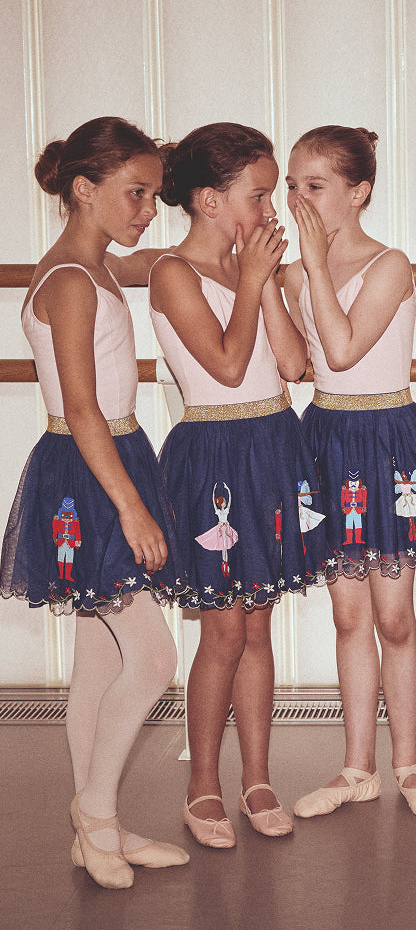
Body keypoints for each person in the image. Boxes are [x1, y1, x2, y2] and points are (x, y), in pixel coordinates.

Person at [0, 117, 187, 887]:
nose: (148, 209)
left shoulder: (95, 264)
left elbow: (150, 259)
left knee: (98, 659)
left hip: (110, 456)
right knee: (153, 658)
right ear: (84, 188)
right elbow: (80, 408)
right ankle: (96, 814)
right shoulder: (72, 280)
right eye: (135, 193)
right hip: (89, 469)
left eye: (155, 194)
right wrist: (132, 509)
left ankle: (96, 831)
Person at [150, 122, 327, 847]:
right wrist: (253, 281)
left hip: (271, 446)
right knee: (222, 632)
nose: (271, 208)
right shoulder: (173, 273)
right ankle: (203, 785)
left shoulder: (248, 271)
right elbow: (225, 367)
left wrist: (268, 283)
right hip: (214, 452)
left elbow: (292, 366)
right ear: (209, 200)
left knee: (258, 625)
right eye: (258, 195)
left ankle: (257, 777)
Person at [283, 126, 416, 819]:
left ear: (358, 193)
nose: (298, 200)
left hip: (387, 441)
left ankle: (408, 763)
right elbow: (300, 365)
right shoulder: (296, 272)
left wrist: (311, 266)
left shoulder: (390, 265)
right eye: (291, 186)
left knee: (394, 616)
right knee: (347, 614)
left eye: (314, 186)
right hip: (326, 437)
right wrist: (275, 281)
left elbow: (346, 348)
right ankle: (357, 767)